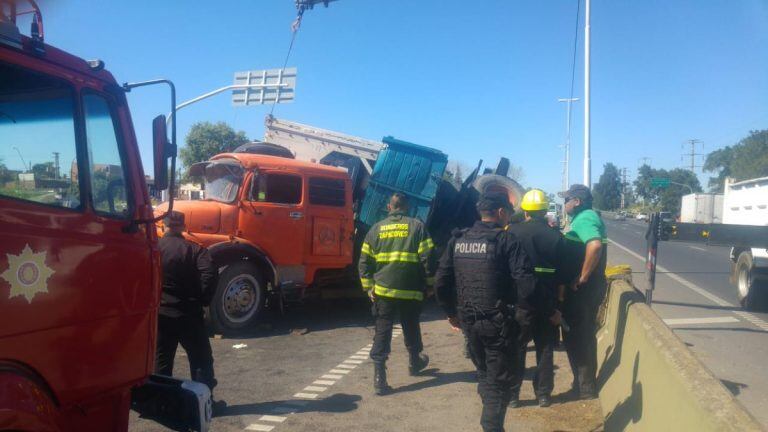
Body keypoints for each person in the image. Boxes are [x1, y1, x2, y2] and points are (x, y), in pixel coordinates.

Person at [435, 192, 536, 432]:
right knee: (498, 383)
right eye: (509, 212)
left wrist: (450, 313)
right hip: (498, 323)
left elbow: (441, 281)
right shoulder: (506, 240)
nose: (510, 217)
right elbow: (526, 284)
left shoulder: (458, 239)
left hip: (469, 322)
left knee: (485, 375)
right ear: (501, 212)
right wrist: (524, 318)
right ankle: (491, 426)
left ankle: (491, 420)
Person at [358, 193, 435, 395]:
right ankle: (415, 362)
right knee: (411, 324)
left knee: (383, 329)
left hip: (383, 290)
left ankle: (379, 378)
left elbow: (364, 262)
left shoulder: (376, 229)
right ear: (406, 207)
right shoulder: (417, 227)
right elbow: (428, 259)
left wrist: (368, 287)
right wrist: (430, 284)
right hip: (411, 289)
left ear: (388, 207)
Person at [506, 189, 575, 408]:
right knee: (545, 348)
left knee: (517, 347)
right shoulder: (557, 237)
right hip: (548, 304)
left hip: (519, 302)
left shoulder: (511, 232)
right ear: (545, 211)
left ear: (525, 210)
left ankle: (513, 396)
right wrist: (559, 305)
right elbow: (563, 277)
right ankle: (544, 395)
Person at [156, 211, 219, 396]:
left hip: (161, 314)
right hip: (189, 314)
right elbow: (209, 273)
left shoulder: (154, 248)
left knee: (161, 360)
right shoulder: (195, 250)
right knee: (200, 360)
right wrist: (202, 299)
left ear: (163, 226)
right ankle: (204, 404)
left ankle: (159, 403)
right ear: (183, 227)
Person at [558, 184, 608, 400]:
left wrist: (583, 276)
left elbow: (595, 246)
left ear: (576, 201)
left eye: (566, 199)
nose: (564, 203)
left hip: (582, 291)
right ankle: (582, 384)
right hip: (582, 291)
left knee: (579, 336)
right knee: (577, 336)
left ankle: (586, 389)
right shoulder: (581, 218)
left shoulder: (586, 218)